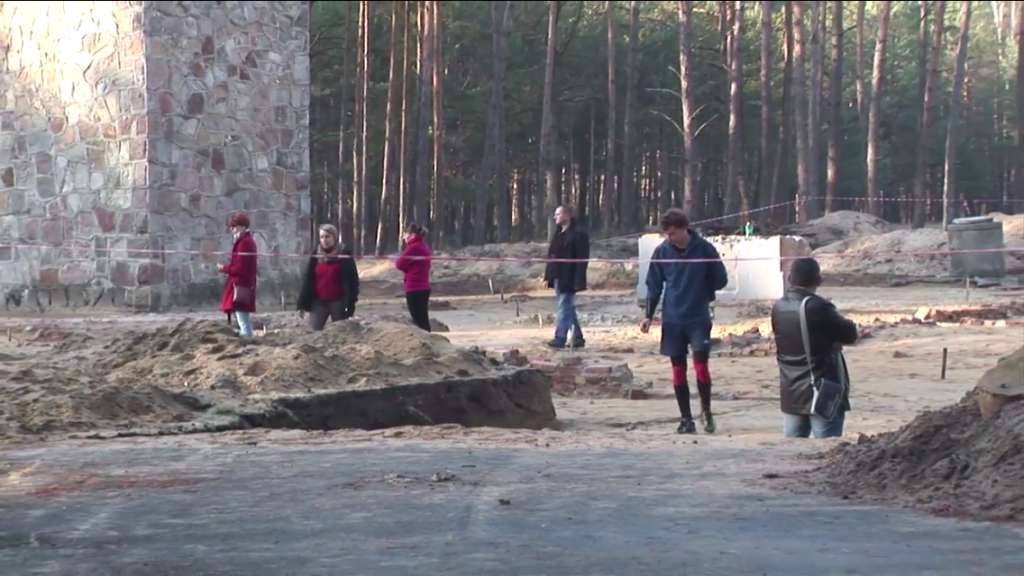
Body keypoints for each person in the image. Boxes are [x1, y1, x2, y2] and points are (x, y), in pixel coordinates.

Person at [640, 209, 728, 434]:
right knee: (678, 369)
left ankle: (706, 411)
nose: (669, 238)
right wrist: (648, 315)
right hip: (672, 318)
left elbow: (721, 279)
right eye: (666, 235)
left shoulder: (705, 249)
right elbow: (654, 285)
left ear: (683, 229)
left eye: (672, 234)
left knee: (701, 365)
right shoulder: (662, 252)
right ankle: (686, 418)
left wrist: (706, 290)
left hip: (698, 316)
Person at [771, 257, 858, 438]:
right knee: (826, 448)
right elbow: (849, 334)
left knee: (792, 451)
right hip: (821, 387)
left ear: (789, 279)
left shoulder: (778, 307)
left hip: (790, 388)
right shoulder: (818, 307)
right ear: (818, 280)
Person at [543, 205, 590, 349]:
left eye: (558, 214)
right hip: (558, 276)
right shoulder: (558, 234)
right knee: (568, 307)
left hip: (569, 278)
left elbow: (582, 259)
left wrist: (578, 280)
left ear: (567, 216)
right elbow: (552, 256)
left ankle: (560, 338)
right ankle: (578, 337)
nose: (555, 217)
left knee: (564, 307)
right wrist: (548, 276)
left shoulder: (578, 234)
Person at [297, 224, 360, 331]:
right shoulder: (315, 255)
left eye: (327, 236)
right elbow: (308, 279)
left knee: (340, 332)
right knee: (314, 331)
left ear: (334, 237)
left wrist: (351, 303)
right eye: (322, 237)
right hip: (318, 301)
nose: (324, 240)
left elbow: (353, 281)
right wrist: (302, 303)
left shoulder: (344, 255)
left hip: (338, 301)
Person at [219, 212, 258, 338]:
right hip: (242, 284)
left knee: (242, 318)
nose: (232, 230)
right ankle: (247, 336)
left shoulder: (244, 243)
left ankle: (247, 339)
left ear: (242, 226)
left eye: (234, 226)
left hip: (241, 286)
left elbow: (240, 268)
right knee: (242, 317)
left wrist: (224, 268)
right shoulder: (245, 241)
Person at [395, 223, 432, 332]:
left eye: (405, 234)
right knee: (421, 318)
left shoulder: (414, 247)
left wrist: (407, 269)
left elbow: (399, 264)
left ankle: (426, 341)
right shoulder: (422, 245)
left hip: (415, 287)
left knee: (419, 320)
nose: (404, 237)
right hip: (421, 286)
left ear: (412, 235)